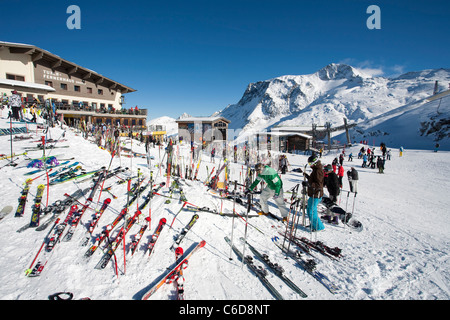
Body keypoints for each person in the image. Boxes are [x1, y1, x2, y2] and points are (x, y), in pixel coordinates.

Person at [303, 154, 325, 231]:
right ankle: (314, 224)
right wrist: (308, 177)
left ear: (314, 163)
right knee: (310, 209)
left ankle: (319, 226)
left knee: (311, 210)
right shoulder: (316, 170)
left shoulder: (318, 171)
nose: (310, 165)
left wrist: (308, 184)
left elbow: (319, 184)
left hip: (316, 193)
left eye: (310, 164)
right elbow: (314, 180)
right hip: (313, 193)